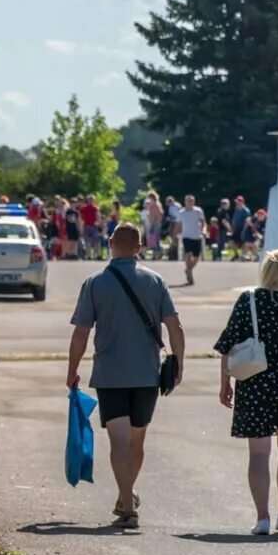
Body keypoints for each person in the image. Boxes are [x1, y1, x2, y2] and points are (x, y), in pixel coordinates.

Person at [67, 223, 185, 529]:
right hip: (147, 374)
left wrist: (72, 369)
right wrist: (179, 364)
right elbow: (175, 327)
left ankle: (128, 503)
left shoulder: (95, 283)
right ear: (140, 247)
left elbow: (81, 332)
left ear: (109, 243)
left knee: (118, 441)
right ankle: (127, 496)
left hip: (110, 374)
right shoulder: (155, 281)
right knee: (136, 439)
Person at [216, 250, 278, 534]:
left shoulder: (249, 300)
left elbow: (228, 344)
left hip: (255, 383)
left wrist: (225, 383)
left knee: (259, 454)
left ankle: (262, 518)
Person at [177, 194, 206, 285]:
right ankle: (190, 274)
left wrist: (204, 231)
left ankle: (188, 269)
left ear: (194, 202)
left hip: (197, 236)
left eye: (191, 201)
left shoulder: (198, 211)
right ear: (185, 202)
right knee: (188, 254)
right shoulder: (181, 212)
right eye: (188, 201)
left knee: (197, 257)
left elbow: (203, 223)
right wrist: (177, 233)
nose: (190, 202)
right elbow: (179, 224)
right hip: (186, 236)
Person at [80, 195, 101, 260]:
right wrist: (99, 224)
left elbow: (81, 217)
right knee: (96, 241)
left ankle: (89, 255)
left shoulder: (83, 208)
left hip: (86, 225)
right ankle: (96, 255)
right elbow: (98, 216)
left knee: (87, 241)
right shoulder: (95, 208)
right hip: (92, 226)